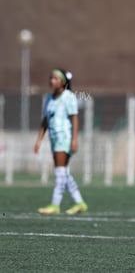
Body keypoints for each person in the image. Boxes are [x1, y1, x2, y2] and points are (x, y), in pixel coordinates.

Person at [34, 68, 88, 215]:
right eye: (51, 78)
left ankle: (55, 205)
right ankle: (80, 202)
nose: (52, 81)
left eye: (55, 78)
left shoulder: (68, 97)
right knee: (64, 172)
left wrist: (74, 139)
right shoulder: (49, 99)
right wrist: (39, 140)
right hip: (54, 139)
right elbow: (45, 120)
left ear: (63, 82)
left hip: (64, 138)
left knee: (59, 171)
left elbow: (74, 118)